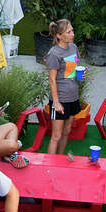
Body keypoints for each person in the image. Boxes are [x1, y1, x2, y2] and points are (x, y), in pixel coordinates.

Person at [44, 19, 81, 155]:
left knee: (66, 132)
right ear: (59, 36)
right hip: (60, 99)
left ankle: (59, 161)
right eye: (68, 32)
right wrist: (56, 103)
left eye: (72, 30)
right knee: (56, 136)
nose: (72, 34)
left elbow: (73, 70)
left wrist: (79, 75)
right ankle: (50, 167)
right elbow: (52, 80)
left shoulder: (74, 48)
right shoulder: (54, 54)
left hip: (73, 97)